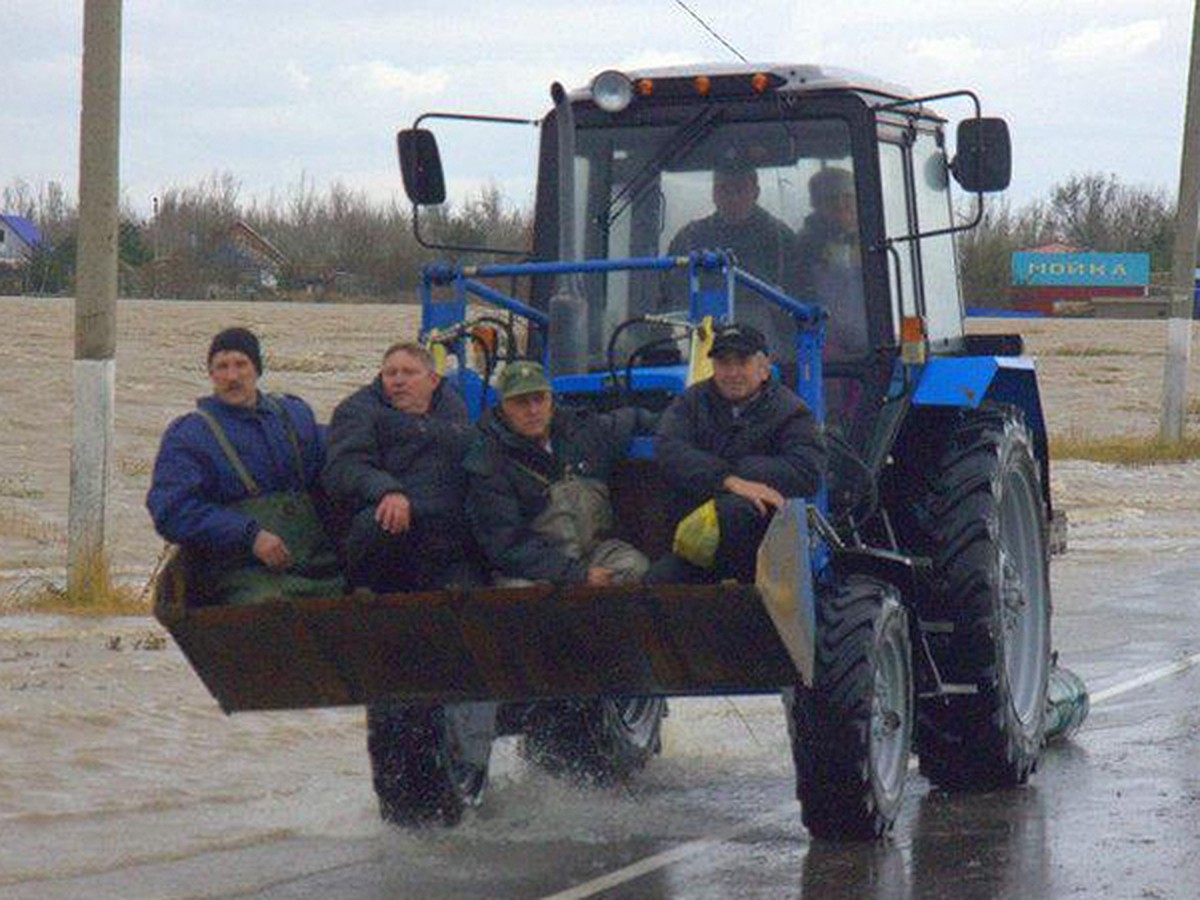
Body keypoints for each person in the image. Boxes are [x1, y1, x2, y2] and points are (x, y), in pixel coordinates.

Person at [146, 327, 343, 605]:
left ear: (257, 369)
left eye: (241, 364)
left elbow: (342, 464)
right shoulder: (190, 435)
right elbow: (172, 510)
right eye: (221, 367)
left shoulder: (295, 416)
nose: (232, 377)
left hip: (317, 564)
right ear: (211, 374)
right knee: (268, 609)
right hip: (237, 573)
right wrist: (248, 535)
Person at [649, 323, 826, 584]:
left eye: (742, 362)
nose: (732, 373)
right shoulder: (691, 401)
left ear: (763, 368)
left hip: (765, 550)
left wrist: (737, 472)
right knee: (655, 584)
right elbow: (668, 449)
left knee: (735, 512)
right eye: (723, 363)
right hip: (694, 543)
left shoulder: (791, 411)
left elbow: (806, 472)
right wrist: (731, 481)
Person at [464, 360, 653, 586]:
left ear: (551, 400)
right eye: (521, 402)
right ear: (503, 407)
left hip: (594, 552)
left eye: (539, 399)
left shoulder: (584, 429)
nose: (533, 410)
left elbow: (634, 418)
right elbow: (506, 547)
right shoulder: (487, 459)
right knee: (521, 595)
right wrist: (578, 575)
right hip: (533, 569)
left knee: (634, 566)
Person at [322, 341, 477, 593]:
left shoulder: (453, 407)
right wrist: (387, 490)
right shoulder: (357, 410)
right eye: (390, 373)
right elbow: (345, 466)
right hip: (394, 525)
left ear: (433, 381)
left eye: (409, 373)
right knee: (382, 522)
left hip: (447, 530)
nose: (398, 380)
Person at [666, 162, 798, 361]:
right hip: (704, 345)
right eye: (724, 190)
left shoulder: (782, 239)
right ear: (714, 194)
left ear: (755, 191)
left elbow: (803, 297)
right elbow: (668, 298)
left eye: (739, 189)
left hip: (770, 353)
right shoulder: (689, 239)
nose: (732, 198)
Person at [793, 166, 868, 359]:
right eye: (832, 199)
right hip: (825, 348)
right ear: (817, 205)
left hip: (875, 342)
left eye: (847, 197)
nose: (841, 205)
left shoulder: (876, 239)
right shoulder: (803, 247)